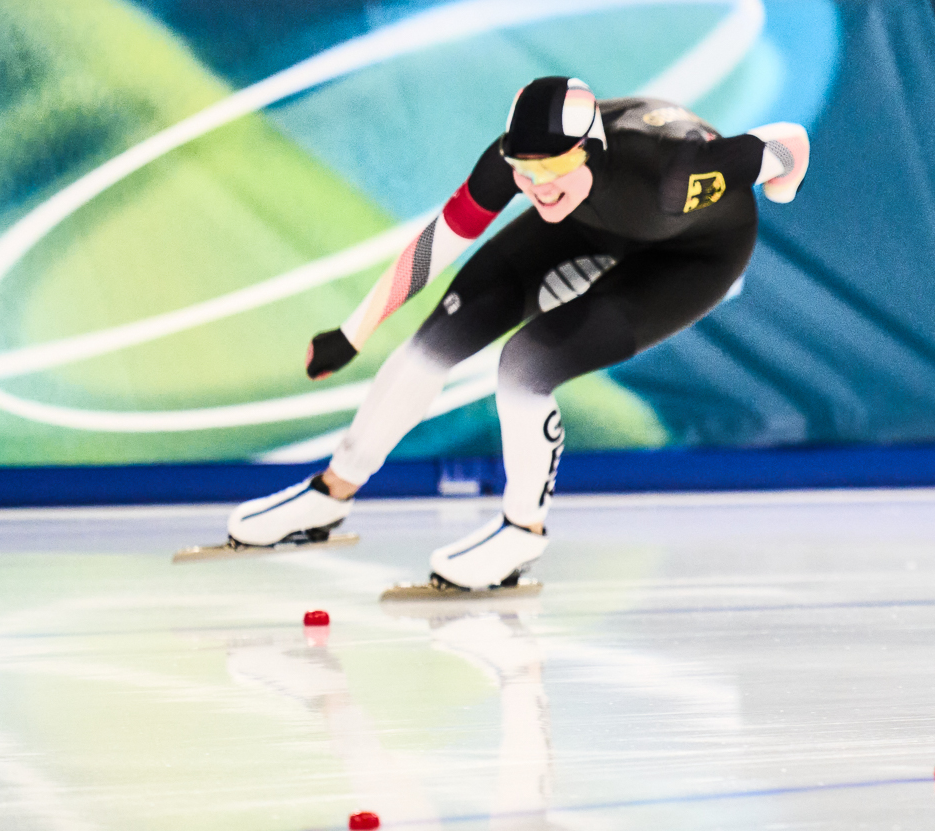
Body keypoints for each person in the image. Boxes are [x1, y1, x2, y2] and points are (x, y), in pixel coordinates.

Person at [219, 77, 810, 591]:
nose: (538, 185)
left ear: (591, 150)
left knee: (525, 363)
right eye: (526, 171)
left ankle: (521, 533)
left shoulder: (672, 173)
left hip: (691, 255)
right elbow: (435, 245)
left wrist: (783, 187)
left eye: (552, 168)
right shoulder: (525, 169)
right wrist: (352, 333)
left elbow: (791, 143)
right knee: (435, 339)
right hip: (587, 224)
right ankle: (328, 494)